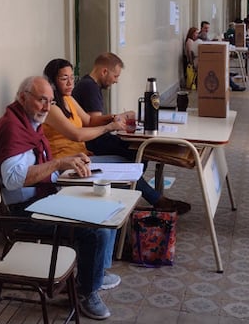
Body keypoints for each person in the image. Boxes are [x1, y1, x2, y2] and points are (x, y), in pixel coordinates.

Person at [41, 58, 187, 289]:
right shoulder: (52, 107)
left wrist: (114, 117)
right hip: (67, 166)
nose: (69, 83)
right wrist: (109, 127)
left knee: (126, 169)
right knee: (123, 175)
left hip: (83, 159)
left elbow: (89, 120)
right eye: (63, 78)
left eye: (71, 77)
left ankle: (106, 259)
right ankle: (105, 261)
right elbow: (78, 134)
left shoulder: (68, 99)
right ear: (52, 81)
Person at [0, 75, 113, 319]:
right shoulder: (12, 128)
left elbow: (39, 166)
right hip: (22, 213)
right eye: (41, 100)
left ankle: (87, 278)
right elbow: (13, 179)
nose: (47, 107)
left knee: (102, 209)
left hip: (40, 199)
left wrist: (68, 168)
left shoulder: (28, 123)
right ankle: (87, 292)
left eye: (51, 102)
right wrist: (57, 165)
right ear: (23, 98)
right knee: (96, 231)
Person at [72, 53, 191, 214]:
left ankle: (142, 193)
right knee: (139, 153)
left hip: (95, 137)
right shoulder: (90, 87)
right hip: (92, 141)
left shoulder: (87, 84)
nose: (116, 80)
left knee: (140, 151)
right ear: (104, 71)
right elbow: (93, 121)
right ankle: (150, 197)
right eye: (115, 76)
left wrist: (117, 118)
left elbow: (92, 120)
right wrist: (117, 119)